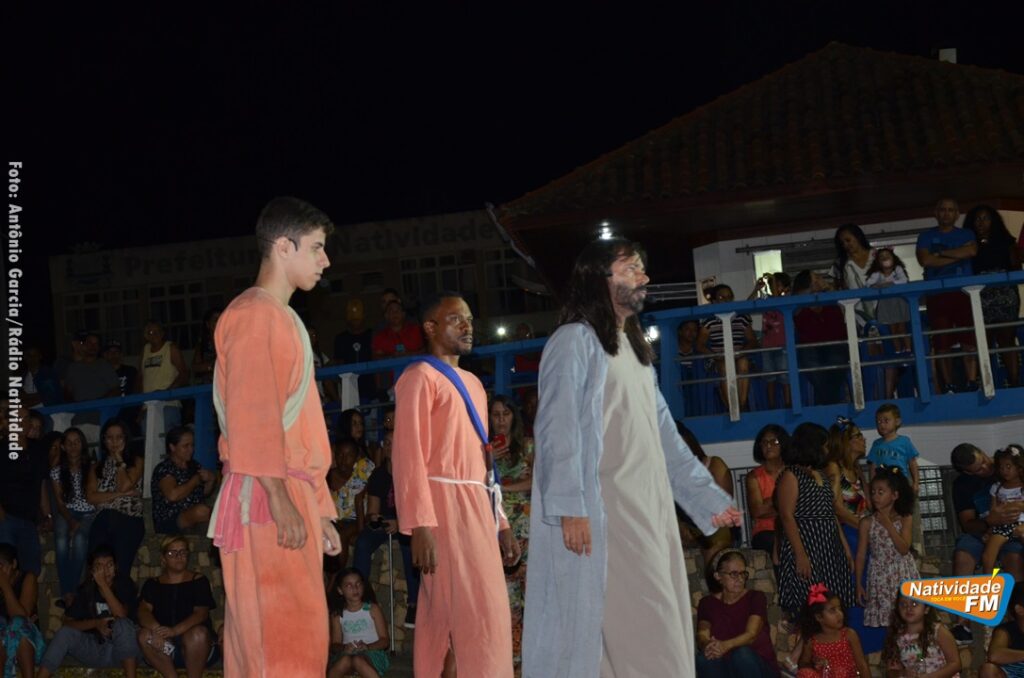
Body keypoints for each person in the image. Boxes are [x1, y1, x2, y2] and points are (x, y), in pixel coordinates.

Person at [522, 238, 739, 678]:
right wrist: (570, 507)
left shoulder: (634, 349)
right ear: (597, 278)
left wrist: (705, 498)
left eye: (642, 268)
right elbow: (557, 429)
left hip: (648, 506)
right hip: (606, 509)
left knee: (651, 619)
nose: (645, 277)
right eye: (632, 269)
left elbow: (665, 437)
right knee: (639, 622)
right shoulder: (574, 340)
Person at [205, 196, 341, 677]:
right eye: (317, 247)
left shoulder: (283, 317)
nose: (326, 260)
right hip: (267, 492)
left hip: (288, 488)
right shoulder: (254, 314)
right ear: (284, 246)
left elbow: (298, 427)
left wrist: (319, 509)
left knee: (299, 635)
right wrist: (279, 497)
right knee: (277, 640)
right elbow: (252, 416)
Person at [392, 291, 520, 677]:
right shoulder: (418, 377)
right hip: (442, 510)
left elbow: (484, 464)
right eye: (456, 319)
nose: (467, 326)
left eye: (469, 319)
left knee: (486, 613)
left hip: (478, 508)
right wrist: (420, 525)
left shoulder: (474, 383)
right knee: (454, 614)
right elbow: (408, 455)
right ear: (430, 327)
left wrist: (501, 524)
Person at [949, 443, 1024, 645]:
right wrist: (989, 522)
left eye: (983, 461)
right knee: (963, 554)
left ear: (982, 452)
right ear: (966, 471)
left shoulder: (1005, 465)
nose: (985, 469)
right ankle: (962, 624)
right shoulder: (963, 485)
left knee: (1014, 557)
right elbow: (967, 524)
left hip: (1015, 530)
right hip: (983, 532)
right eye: (977, 470)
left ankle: (1015, 619)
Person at [777, 423, 855, 616]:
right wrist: (800, 554)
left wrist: (844, 548)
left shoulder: (821, 474)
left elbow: (831, 513)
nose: (827, 450)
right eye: (824, 445)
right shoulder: (791, 475)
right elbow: (786, 516)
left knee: (834, 599)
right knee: (812, 603)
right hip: (807, 545)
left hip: (829, 547)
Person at [37, 545, 141, 678]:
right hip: (97, 649)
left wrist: (103, 585)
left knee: (122, 624)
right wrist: (96, 623)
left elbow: (121, 614)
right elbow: (67, 623)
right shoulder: (86, 590)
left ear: (115, 567)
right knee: (64, 633)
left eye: (109, 565)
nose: (105, 570)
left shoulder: (124, 584)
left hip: (124, 651)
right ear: (92, 570)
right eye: (99, 566)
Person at [351, 429, 420, 629]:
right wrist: (375, 518)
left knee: (408, 544)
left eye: (394, 442)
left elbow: (418, 508)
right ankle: (361, 600)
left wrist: (400, 522)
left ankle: (414, 604)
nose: (390, 446)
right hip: (385, 522)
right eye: (387, 443)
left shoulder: (412, 472)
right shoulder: (379, 474)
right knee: (363, 543)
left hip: (407, 521)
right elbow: (373, 510)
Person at [916, 197, 978, 393]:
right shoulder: (926, 236)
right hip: (937, 295)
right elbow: (926, 260)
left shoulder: (966, 233)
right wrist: (957, 254)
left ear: (957, 214)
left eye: (951, 210)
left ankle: (972, 381)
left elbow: (972, 251)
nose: (946, 213)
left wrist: (940, 254)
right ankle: (949, 384)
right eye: (942, 209)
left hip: (964, 293)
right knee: (942, 343)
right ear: (936, 213)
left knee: (969, 340)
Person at [490, 394, 534, 665]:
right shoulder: (482, 451)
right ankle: (513, 662)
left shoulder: (528, 445)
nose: (501, 420)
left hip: (528, 533)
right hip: (499, 534)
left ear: (513, 417)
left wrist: (503, 488)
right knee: (508, 604)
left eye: (505, 414)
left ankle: (538, 661)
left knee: (534, 600)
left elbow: (537, 480)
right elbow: (475, 484)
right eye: (496, 415)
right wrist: (487, 460)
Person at [136, 535, 219, 678]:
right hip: (166, 647)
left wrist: (174, 631)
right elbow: (143, 611)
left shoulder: (199, 581)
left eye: (182, 552)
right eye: (172, 553)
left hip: (197, 648)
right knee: (144, 636)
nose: (178, 556)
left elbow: (201, 613)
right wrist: (157, 630)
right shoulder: (153, 584)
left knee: (198, 634)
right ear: (163, 559)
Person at [695, 549, 780, 677]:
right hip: (726, 667)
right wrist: (708, 645)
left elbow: (751, 634)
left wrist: (725, 646)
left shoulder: (756, 597)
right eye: (734, 574)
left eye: (743, 574)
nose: (740, 579)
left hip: (757, 666)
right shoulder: (707, 603)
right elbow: (702, 634)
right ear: (718, 576)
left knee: (742, 654)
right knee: (704, 659)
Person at [964, 204, 1022, 388]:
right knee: (984, 341)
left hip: (1005, 294)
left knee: (1007, 339)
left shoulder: (1006, 241)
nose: (981, 223)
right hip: (979, 296)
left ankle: (1014, 382)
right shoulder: (967, 244)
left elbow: (1016, 267)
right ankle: (989, 384)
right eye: (977, 219)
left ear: (993, 221)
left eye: (985, 218)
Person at [855, 467, 919, 628]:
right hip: (880, 576)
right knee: (888, 621)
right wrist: (858, 582)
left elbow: (903, 548)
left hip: (902, 573)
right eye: (873, 492)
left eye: (881, 492)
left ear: (895, 495)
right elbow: (861, 554)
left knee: (908, 617)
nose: (875, 496)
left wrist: (887, 524)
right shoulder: (866, 522)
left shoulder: (905, 518)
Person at [86, 419, 144, 576]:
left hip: (128, 518)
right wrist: (120, 494)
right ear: (104, 440)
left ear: (126, 439)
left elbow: (124, 485)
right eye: (110, 438)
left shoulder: (136, 461)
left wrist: (119, 460)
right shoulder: (96, 467)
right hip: (103, 519)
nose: (114, 442)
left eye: (119, 437)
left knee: (119, 571)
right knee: (96, 567)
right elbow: (91, 497)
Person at [0, 403, 51, 578]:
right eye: (17, 419)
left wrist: (47, 515)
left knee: (31, 571)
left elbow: (41, 485)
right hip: (6, 517)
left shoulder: (37, 449)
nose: (22, 422)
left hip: (29, 520)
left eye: (25, 418)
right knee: (5, 569)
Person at [50, 427, 97, 607]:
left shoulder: (92, 466)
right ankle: (67, 593)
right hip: (67, 511)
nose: (73, 446)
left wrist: (77, 525)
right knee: (61, 540)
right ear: (63, 446)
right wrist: (71, 521)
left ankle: (74, 591)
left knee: (79, 539)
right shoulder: (56, 472)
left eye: (77, 442)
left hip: (89, 512)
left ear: (82, 444)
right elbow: (60, 503)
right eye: (69, 443)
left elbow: (94, 496)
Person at [677, 422, 736, 564]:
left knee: (714, 538)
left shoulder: (714, 465)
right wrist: (680, 526)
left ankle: (714, 577)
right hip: (681, 527)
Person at [697, 284, 758, 410]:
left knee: (744, 363)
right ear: (714, 301)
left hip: (738, 356)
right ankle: (732, 407)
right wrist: (715, 355)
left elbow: (752, 340)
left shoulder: (741, 318)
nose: (726, 300)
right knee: (725, 366)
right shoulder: (710, 320)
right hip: (719, 359)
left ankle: (741, 406)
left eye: (729, 297)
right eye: (722, 297)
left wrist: (741, 352)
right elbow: (699, 344)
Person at [792, 271, 848, 405]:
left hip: (835, 344)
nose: (819, 280)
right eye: (815, 278)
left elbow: (844, 307)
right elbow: (797, 301)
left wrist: (828, 288)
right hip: (810, 346)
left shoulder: (830, 297)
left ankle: (825, 405)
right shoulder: (798, 303)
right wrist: (812, 290)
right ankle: (832, 404)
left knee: (837, 363)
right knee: (814, 368)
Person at [150, 427, 216, 534]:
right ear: (172, 447)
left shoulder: (194, 465)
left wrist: (211, 480)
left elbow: (202, 493)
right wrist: (194, 481)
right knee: (201, 511)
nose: (191, 449)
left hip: (195, 517)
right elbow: (172, 495)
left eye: (192, 445)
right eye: (185, 446)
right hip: (170, 519)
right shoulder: (165, 468)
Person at [795, 585, 870, 678]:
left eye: (839, 609)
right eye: (832, 610)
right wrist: (815, 663)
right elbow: (803, 664)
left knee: (839, 672)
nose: (839, 614)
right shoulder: (812, 641)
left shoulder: (849, 634)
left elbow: (862, 665)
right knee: (805, 673)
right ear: (819, 617)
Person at [327, 568, 390, 678]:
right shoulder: (338, 615)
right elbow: (335, 644)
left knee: (358, 660)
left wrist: (367, 647)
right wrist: (344, 648)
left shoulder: (372, 609)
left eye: (358, 584)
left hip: (372, 652)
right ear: (340, 590)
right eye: (349, 586)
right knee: (345, 660)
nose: (355, 588)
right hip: (347, 653)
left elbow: (385, 641)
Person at [882, 593, 961, 677]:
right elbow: (891, 671)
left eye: (914, 604)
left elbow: (955, 664)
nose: (908, 608)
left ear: (926, 609)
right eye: (903, 604)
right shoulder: (896, 637)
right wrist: (903, 673)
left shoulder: (938, 631)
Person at [825, 417, 870, 560]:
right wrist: (865, 527)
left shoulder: (857, 469)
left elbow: (869, 504)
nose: (863, 439)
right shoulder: (834, 467)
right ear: (846, 442)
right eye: (858, 436)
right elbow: (837, 508)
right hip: (847, 534)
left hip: (862, 530)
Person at [327, 438, 374, 569]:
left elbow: (359, 502)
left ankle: (338, 574)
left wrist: (361, 532)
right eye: (340, 454)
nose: (344, 459)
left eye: (349, 455)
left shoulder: (362, 471)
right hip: (338, 520)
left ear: (356, 457)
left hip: (359, 519)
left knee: (343, 535)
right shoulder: (328, 475)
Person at [0, 543, 44, 678]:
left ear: (13, 564)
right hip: (3, 640)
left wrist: (5, 585)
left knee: (18, 624)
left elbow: (22, 616)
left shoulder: (28, 578)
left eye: (1, 566)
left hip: (29, 642)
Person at [139, 321, 190, 432]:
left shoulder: (170, 348)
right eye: (151, 332)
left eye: (157, 331)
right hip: (148, 406)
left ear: (162, 333)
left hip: (168, 404)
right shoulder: (145, 350)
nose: (154, 335)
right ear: (146, 336)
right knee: (148, 439)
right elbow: (141, 377)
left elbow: (184, 374)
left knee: (168, 437)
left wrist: (167, 393)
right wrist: (141, 406)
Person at [747, 424, 789, 555]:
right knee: (779, 544)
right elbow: (757, 511)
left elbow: (802, 505)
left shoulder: (793, 472)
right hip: (766, 531)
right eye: (764, 442)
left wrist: (769, 503)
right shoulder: (754, 476)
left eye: (774, 441)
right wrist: (784, 501)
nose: (768, 446)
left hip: (793, 526)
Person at [982, 445, 1024, 573]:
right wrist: (989, 529)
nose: (1004, 471)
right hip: (1002, 526)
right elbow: (993, 512)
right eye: (1001, 467)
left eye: (1008, 466)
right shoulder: (997, 488)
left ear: (1019, 467)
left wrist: (1016, 506)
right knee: (988, 556)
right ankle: (988, 582)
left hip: (1022, 524)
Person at [865, 248, 912, 355]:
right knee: (893, 330)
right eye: (882, 257)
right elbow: (868, 284)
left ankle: (908, 350)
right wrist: (875, 285)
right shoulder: (877, 273)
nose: (885, 258)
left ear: (893, 258)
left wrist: (890, 283)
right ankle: (898, 351)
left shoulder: (897, 269)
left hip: (899, 302)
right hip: (886, 304)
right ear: (878, 261)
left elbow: (904, 280)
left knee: (902, 328)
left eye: (887, 255)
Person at [755, 273, 793, 409]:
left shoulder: (788, 299)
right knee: (769, 377)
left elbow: (778, 300)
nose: (773, 287)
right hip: (767, 345)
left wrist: (773, 277)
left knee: (784, 376)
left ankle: (788, 404)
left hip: (783, 344)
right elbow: (748, 304)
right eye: (772, 284)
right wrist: (756, 289)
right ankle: (771, 406)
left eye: (777, 284)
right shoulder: (766, 299)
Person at [867, 403, 920, 495]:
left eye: (886, 420)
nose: (882, 424)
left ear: (897, 421)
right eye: (879, 422)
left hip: (901, 482)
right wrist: (872, 486)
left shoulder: (904, 441)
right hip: (883, 485)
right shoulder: (876, 444)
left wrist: (916, 483)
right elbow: (873, 467)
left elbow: (912, 463)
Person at [830, 223, 877, 328]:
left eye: (848, 240)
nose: (845, 245)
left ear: (858, 236)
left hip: (883, 309)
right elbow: (837, 289)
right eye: (842, 243)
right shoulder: (839, 264)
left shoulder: (877, 256)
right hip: (856, 315)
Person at [334, 298, 377, 403]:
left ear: (364, 316)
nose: (355, 322)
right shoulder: (341, 339)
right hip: (349, 388)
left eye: (357, 319)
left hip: (371, 387)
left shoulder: (372, 335)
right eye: (352, 319)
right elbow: (338, 364)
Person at [980, 582, 1024, 677]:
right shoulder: (1006, 630)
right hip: (1011, 674)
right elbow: (994, 656)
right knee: (988, 669)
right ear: (1020, 609)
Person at [191, 308, 221, 386]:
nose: (219, 322)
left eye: (221, 319)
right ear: (208, 324)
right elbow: (195, 367)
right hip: (208, 385)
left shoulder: (229, 341)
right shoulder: (203, 344)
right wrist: (211, 366)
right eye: (216, 320)